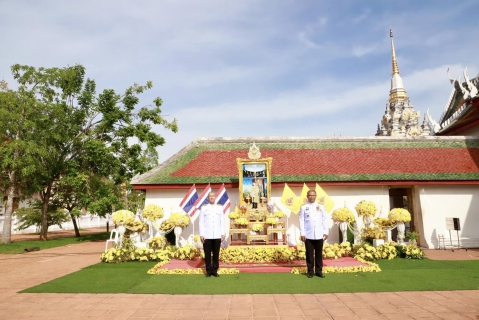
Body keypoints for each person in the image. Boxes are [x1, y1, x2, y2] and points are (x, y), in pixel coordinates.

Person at [299, 190, 329, 278]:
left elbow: (324, 219)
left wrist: (325, 231)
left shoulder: (321, 206)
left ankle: (319, 271)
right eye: (310, 195)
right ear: (307, 196)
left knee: (319, 254)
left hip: (319, 234)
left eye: (313, 195)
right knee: (309, 254)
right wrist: (302, 233)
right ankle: (310, 271)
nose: (312, 197)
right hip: (308, 234)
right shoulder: (304, 207)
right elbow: (301, 220)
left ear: (316, 196)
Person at [199, 192, 225, 277]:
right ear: (208, 198)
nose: (212, 198)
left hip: (217, 234)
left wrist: (223, 233)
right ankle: (208, 270)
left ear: (215, 197)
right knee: (207, 254)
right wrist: (201, 234)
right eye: (210, 196)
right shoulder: (204, 208)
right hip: (207, 235)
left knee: (216, 253)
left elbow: (222, 221)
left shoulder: (220, 208)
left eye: (213, 196)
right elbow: (201, 222)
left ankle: (215, 270)